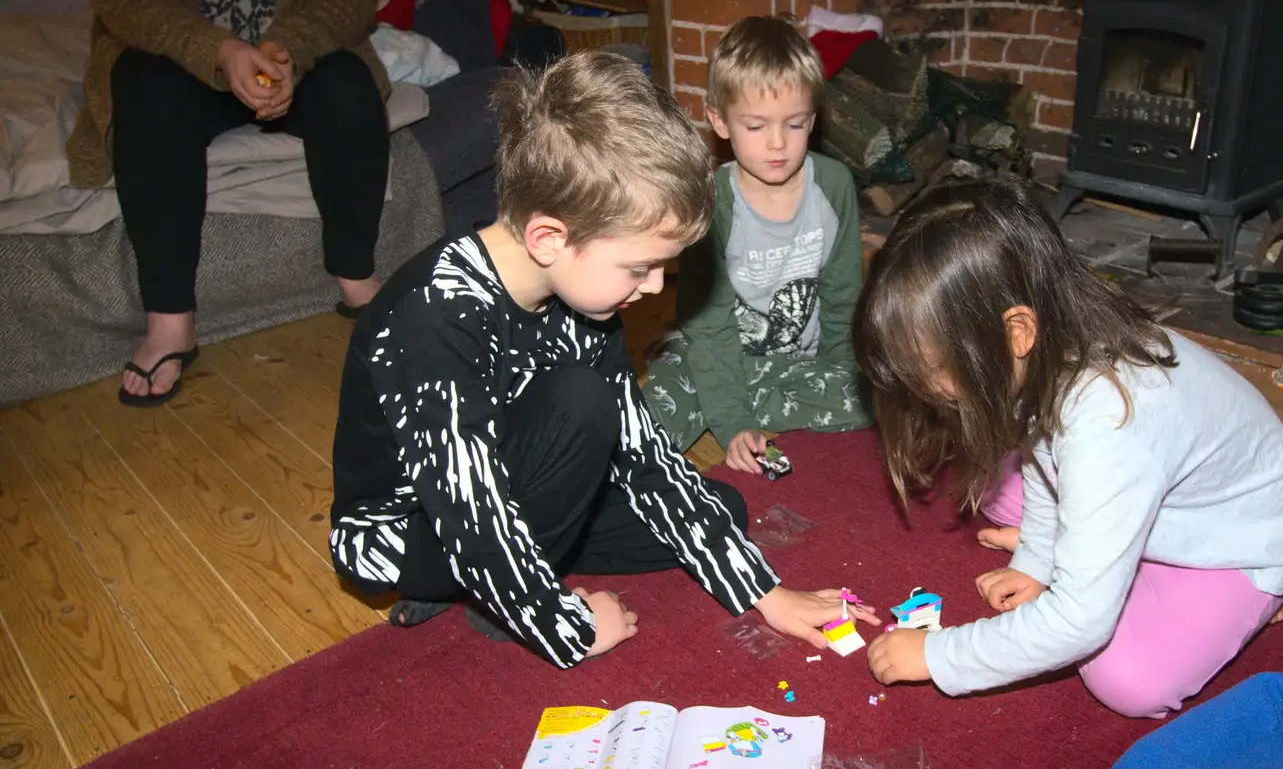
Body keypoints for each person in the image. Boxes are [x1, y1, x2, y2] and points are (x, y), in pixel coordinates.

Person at [327, 51, 878, 668]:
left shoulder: (578, 292)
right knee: (581, 398)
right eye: (639, 267)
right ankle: (491, 599)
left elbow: (644, 455)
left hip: (514, 484)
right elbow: (472, 513)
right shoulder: (432, 318)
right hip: (417, 528)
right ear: (549, 237)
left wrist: (765, 594)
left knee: (723, 511)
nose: (651, 290)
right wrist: (568, 626)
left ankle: (520, 567)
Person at [855, 181, 1283, 718]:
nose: (926, 393)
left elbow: (1080, 622)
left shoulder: (1106, 420)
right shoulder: (1053, 342)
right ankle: (1104, 561)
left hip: (1243, 542)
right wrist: (1036, 558)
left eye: (933, 372)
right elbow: (1039, 448)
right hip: (1161, 491)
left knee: (1126, 680)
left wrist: (938, 655)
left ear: (1016, 333)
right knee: (996, 490)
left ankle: (1254, 603)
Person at [70, 0, 392, 406]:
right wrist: (220, 51)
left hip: (292, 59)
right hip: (174, 59)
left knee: (349, 90)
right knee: (147, 94)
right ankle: (170, 320)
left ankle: (357, 277)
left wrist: (285, 52)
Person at [642, 15, 872, 473]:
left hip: (796, 364)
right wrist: (732, 423)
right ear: (719, 121)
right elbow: (709, 328)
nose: (777, 143)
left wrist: (843, 376)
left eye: (795, 124)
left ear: (814, 117)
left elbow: (844, 299)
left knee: (877, 397)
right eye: (755, 126)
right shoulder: (712, 202)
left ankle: (741, 398)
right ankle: (728, 400)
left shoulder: (834, 184)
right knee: (653, 405)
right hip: (714, 353)